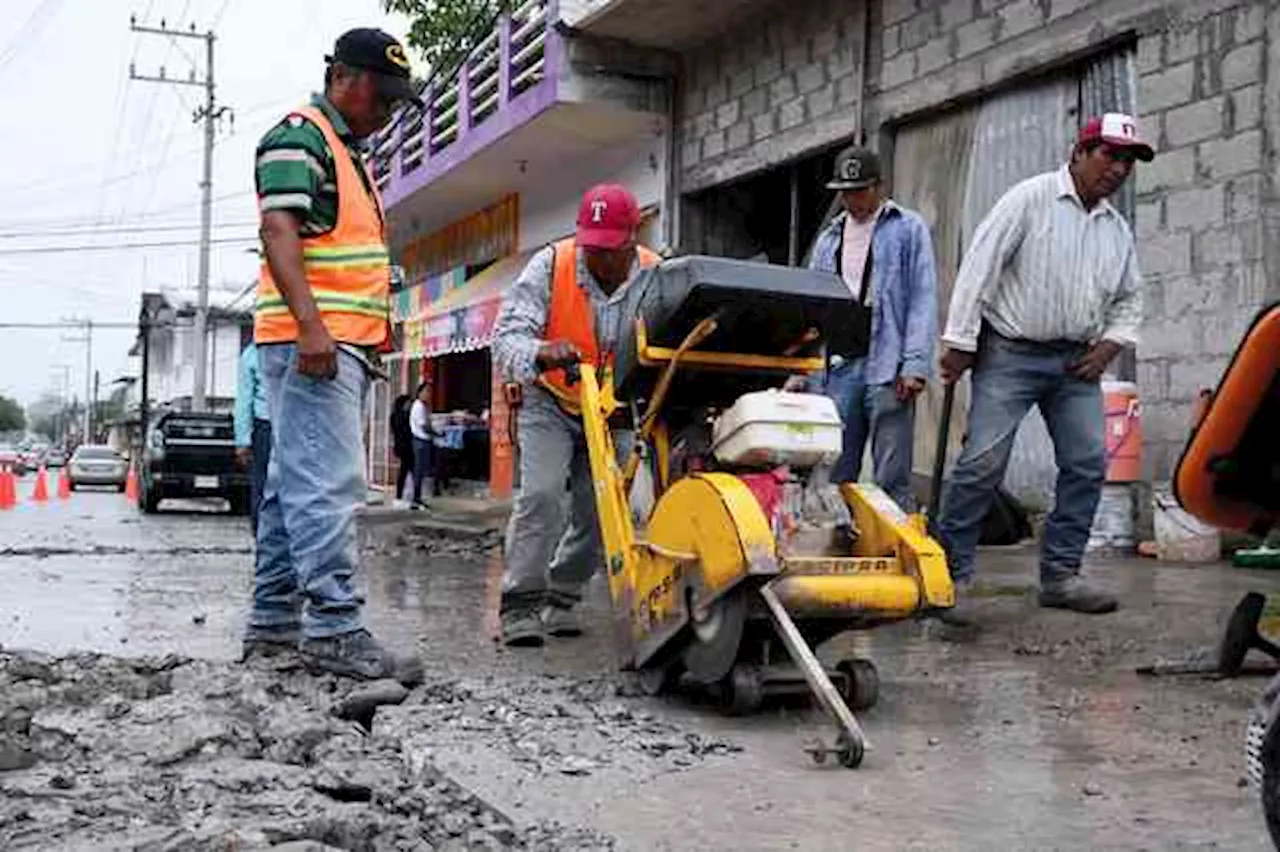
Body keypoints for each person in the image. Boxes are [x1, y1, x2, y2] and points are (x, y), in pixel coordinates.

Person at [245, 27, 424, 682]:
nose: (386, 113)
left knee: (292, 487)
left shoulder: (343, 152)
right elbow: (277, 229)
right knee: (327, 487)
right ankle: (333, 629)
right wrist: (313, 327)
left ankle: (272, 624)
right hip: (314, 345)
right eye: (382, 97)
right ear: (345, 77)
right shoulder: (302, 136)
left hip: (332, 343)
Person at [936, 113, 1152, 623]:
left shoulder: (1115, 229)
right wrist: (960, 341)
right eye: (1109, 154)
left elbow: (1130, 298)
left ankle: (1060, 576)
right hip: (1010, 352)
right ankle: (951, 577)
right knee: (983, 464)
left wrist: (1110, 345)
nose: (1118, 168)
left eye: (1127, 160)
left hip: (1076, 362)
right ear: (1079, 153)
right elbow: (979, 268)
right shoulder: (1028, 200)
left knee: (1086, 462)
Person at [492, 184, 661, 647]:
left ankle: (562, 597)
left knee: (602, 510)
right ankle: (520, 605)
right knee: (542, 497)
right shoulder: (552, 265)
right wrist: (541, 351)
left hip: (616, 409)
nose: (598, 259)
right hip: (552, 400)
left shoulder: (656, 275)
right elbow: (505, 339)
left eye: (609, 249)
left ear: (633, 238)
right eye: (592, 247)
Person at [797, 146, 938, 512]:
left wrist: (915, 364)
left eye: (860, 190)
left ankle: (894, 545)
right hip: (838, 366)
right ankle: (838, 542)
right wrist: (806, 367)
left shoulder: (907, 228)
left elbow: (923, 297)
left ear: (879, 186)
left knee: (891, 469)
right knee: (834, 465)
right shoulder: (829, 239)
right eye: (845, 192)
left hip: (887, 365)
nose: (852, 199)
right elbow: (813, 304)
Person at [233, 340, 271, 534]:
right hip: (294, 423)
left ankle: (263, 540)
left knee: (262, 488)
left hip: (265, 426)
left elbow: (244, 400)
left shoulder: (252, 353)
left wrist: (242, 442)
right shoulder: (298, 344)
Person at [409, 381, 434, 508]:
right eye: (426, 391)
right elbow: (424, 426)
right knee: (419, 471)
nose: (428, 394)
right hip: (420, 441)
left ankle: (418, 497)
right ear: (420, 393)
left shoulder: (423, 406)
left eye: (429, 392)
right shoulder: (418, 406)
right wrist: (436, 433)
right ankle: (416, 498)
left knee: (422, 470)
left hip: (423, 441)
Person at [389, 394, 414, 505]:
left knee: (404, 470)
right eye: (408, 403)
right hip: (407, 446)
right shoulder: (406, 416)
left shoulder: (393, 416)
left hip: (399, 445)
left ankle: (401, 494)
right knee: (406, 470)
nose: (410, 405)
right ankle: (404, 494)